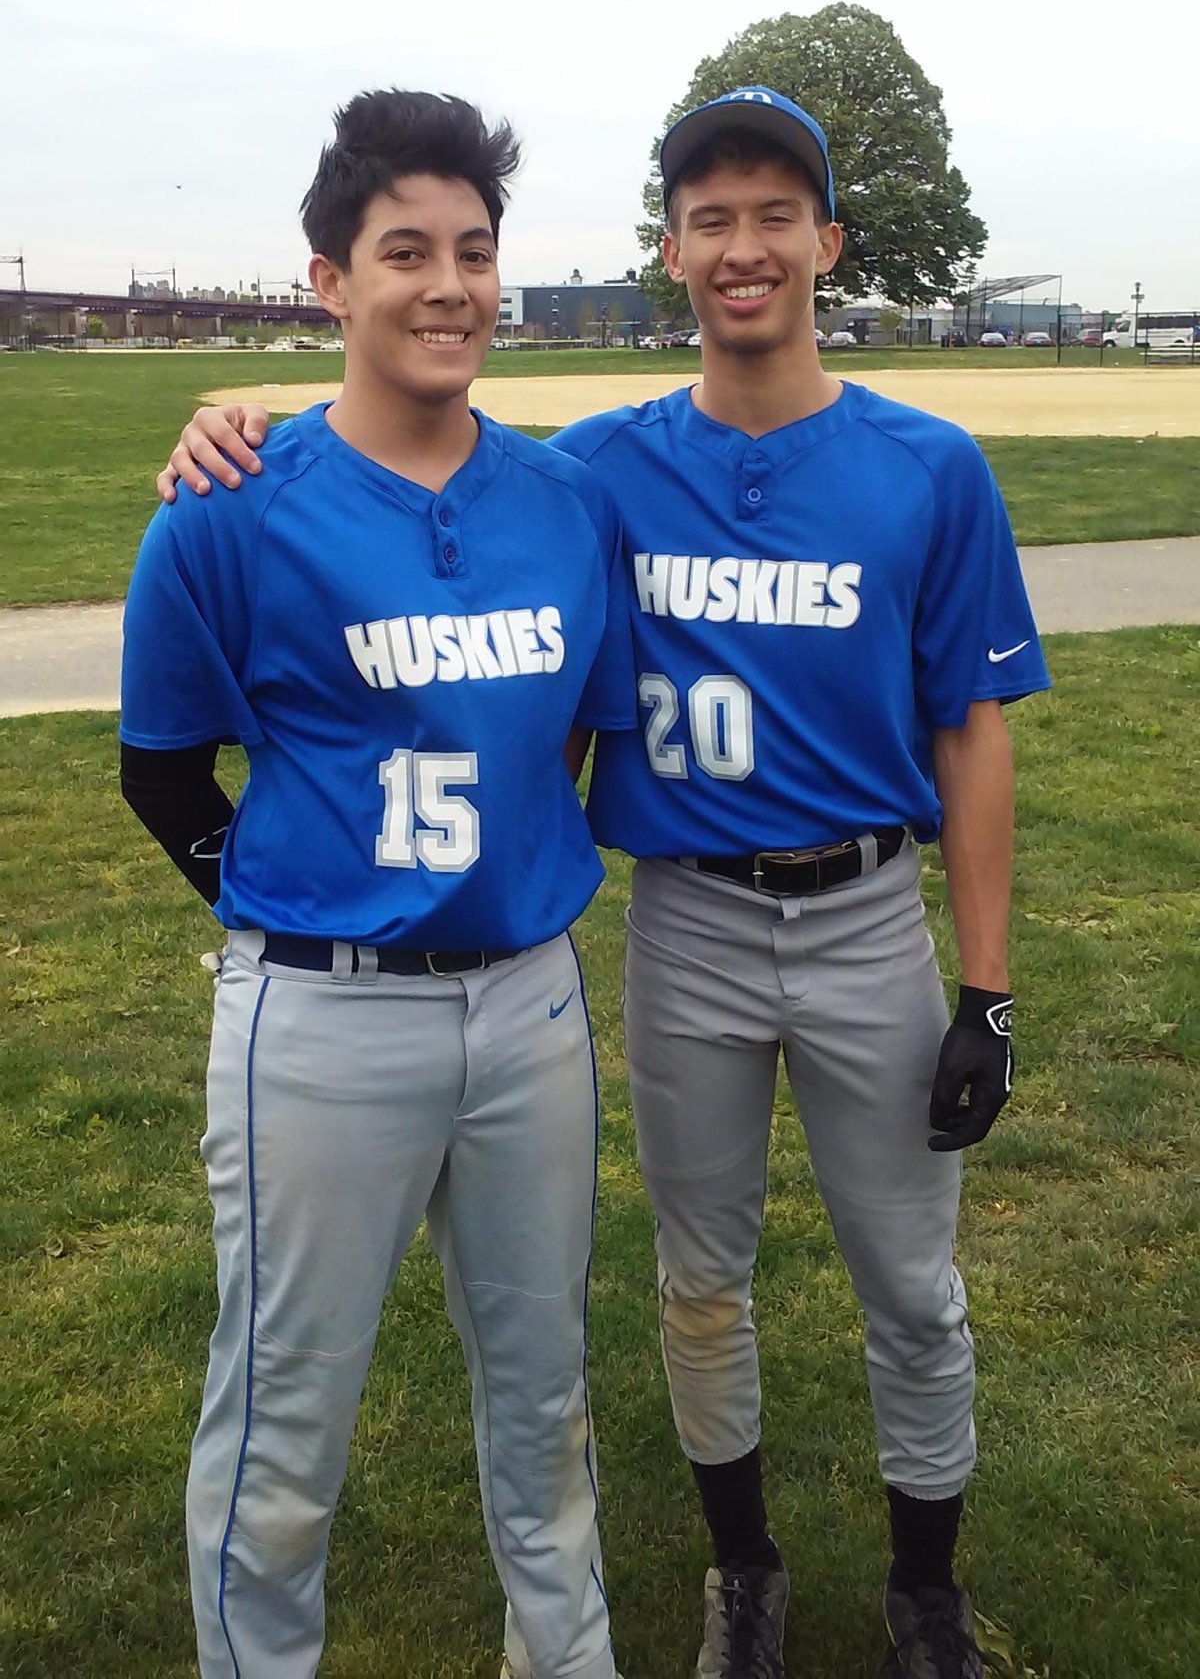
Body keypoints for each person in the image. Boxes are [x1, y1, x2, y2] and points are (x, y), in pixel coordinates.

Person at [159, 84, 1051, 1679]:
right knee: (692, 1279)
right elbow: (414, 431)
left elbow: (971, 728)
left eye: (778, 211)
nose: (745, 242)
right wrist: (248, 407)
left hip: (848, 916)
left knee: (903, 1285)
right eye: (712, 215)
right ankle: (741, 1574)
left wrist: (989, 982)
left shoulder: (912, 466)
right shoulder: (610, 471)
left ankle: (925, 1591)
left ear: (828, 240)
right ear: (672, 249)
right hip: (683, 917)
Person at [122, 89, 635, 1679]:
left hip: (530, 1010)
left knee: (546, 1400)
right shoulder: (228, 514)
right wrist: (278, 897)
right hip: (323, 1026)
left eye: (473, 251)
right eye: (403, 251)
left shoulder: (567, 501)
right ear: (330, 279)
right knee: (284, 1423)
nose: (449, 286)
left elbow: (566, 753)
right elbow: (162, 771)